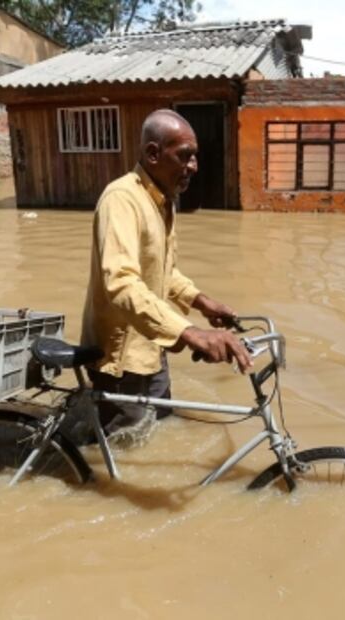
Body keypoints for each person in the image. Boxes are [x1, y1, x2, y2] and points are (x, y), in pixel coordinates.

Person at [80, 109, 251, 441]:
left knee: (159, 427)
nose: (194, 166)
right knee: (120, 447)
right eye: (185, 156)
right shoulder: (121, 200)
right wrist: (190, 332)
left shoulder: (163, 200)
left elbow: (163, 270)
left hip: (153, 343)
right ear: (153, 154)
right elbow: (121, 283)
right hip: (122, 357)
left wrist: (202, 302)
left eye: (195, 157)